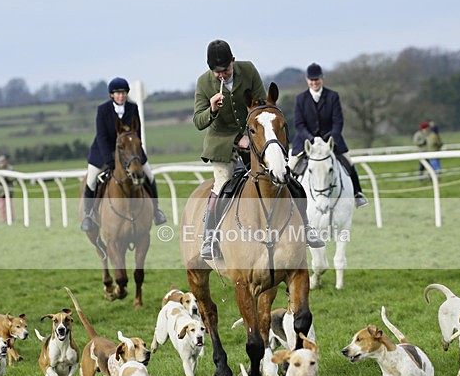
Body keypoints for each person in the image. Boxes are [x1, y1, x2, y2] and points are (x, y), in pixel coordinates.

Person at [193, 40, 324, 259]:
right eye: (216, 72)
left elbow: (263, 106)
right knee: (222, 183)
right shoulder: (204, 83)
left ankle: (306, 228)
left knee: (285, 177)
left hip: (255, 137)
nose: (222, 75)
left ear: (233, 62)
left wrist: (253, 134)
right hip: (221, 143)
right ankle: (211, 238)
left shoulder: (249, 70)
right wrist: (212, 109)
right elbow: (198, 121)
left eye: (225, 70)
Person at [80, 77, 166, 232]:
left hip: (130, 152)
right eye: (117, 93)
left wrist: (137, 156)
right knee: (92, 180)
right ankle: (88, 215)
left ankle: (156, 211)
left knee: (150, 175)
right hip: (103, 152)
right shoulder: (103, 110)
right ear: (112, 95)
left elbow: (137, 134)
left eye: (124, 92)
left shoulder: (133, 108)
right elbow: (102, 137)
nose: (121, 96)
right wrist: (109, 160)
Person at [290, 63, 368, 207]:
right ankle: (287, 200)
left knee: (349, 162)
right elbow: (299, 124)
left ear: (322, 78)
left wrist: (328, 140)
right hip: (306, 141)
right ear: (307, 80)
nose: (314, 82)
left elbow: (338, 121)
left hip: (331, 140)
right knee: (291, 165)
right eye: (311, 80)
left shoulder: (333, 96)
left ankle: (357, 193)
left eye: (317, 79)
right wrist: (312, 140)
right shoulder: (300, 99)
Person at [0, 154, 15, 223]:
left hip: (9, 191)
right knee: (1, 206)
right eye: (0, 162)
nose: (1, 163)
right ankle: (3, 219)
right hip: (0, 191)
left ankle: (11, 218)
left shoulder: (10, 168)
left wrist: (4, 177)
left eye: (2, 162)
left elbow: (12, 178)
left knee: (9, 205)